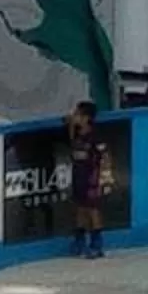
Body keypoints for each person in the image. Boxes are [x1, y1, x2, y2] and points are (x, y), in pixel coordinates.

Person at [65, 99, 112, 258]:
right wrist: (71, 126)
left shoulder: (95, 136)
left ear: (86, 117)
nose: (74, 116)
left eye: (77, 114)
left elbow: (104, 157)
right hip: (78, 175)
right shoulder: (78, 133)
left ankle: (96, 244)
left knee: (92, 209)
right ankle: (79, 241)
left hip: (92, 177)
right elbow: (72, 144)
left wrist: (102, 178)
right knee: (80, 208)